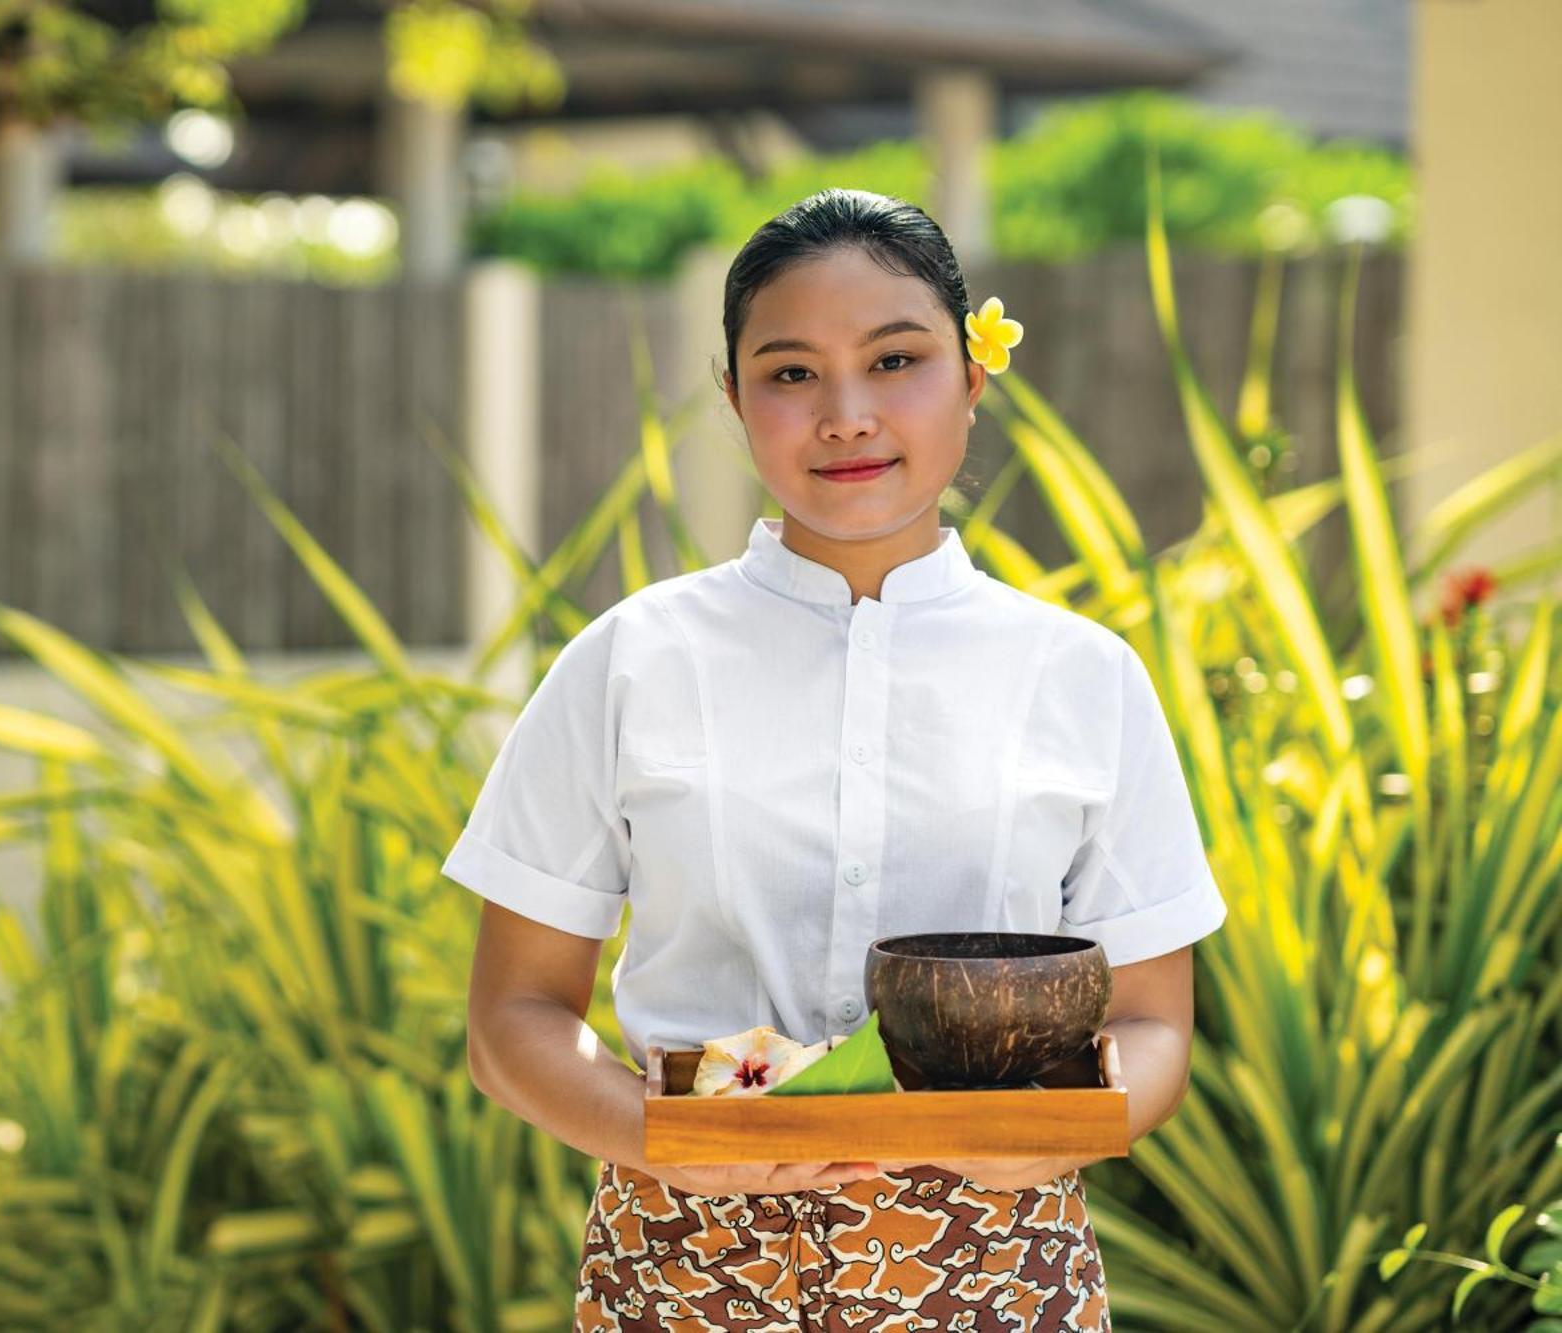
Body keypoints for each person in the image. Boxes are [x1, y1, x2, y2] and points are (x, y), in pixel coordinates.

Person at [444, 187, 1228, 1331]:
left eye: (895, 359)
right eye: (791, 372)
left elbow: (1154, 1023)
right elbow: (510, 1015)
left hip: (995, 1268)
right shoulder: (630, 660)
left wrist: (1046, 1136)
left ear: (971, 374)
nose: (846, 415)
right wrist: (661, 1140)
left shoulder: (1080, 674)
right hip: (681, 1264)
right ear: (733, 399)